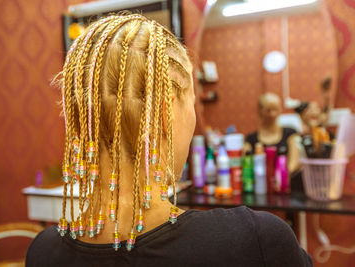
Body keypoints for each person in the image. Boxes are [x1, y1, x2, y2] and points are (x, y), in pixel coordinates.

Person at [26, 14, 312, 266]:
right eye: (192, 102)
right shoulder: (256, 241)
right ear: (167, 112)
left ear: (79, 119)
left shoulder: (41, 253)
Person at [246, 93, 300, 173]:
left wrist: (282, 176)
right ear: (260, 111)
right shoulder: (250, 139)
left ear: (280, 109)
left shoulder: (291, 133)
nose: (272, 114)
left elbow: (294, 162)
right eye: (268, 110)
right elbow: (247, 165)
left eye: (275, 109)